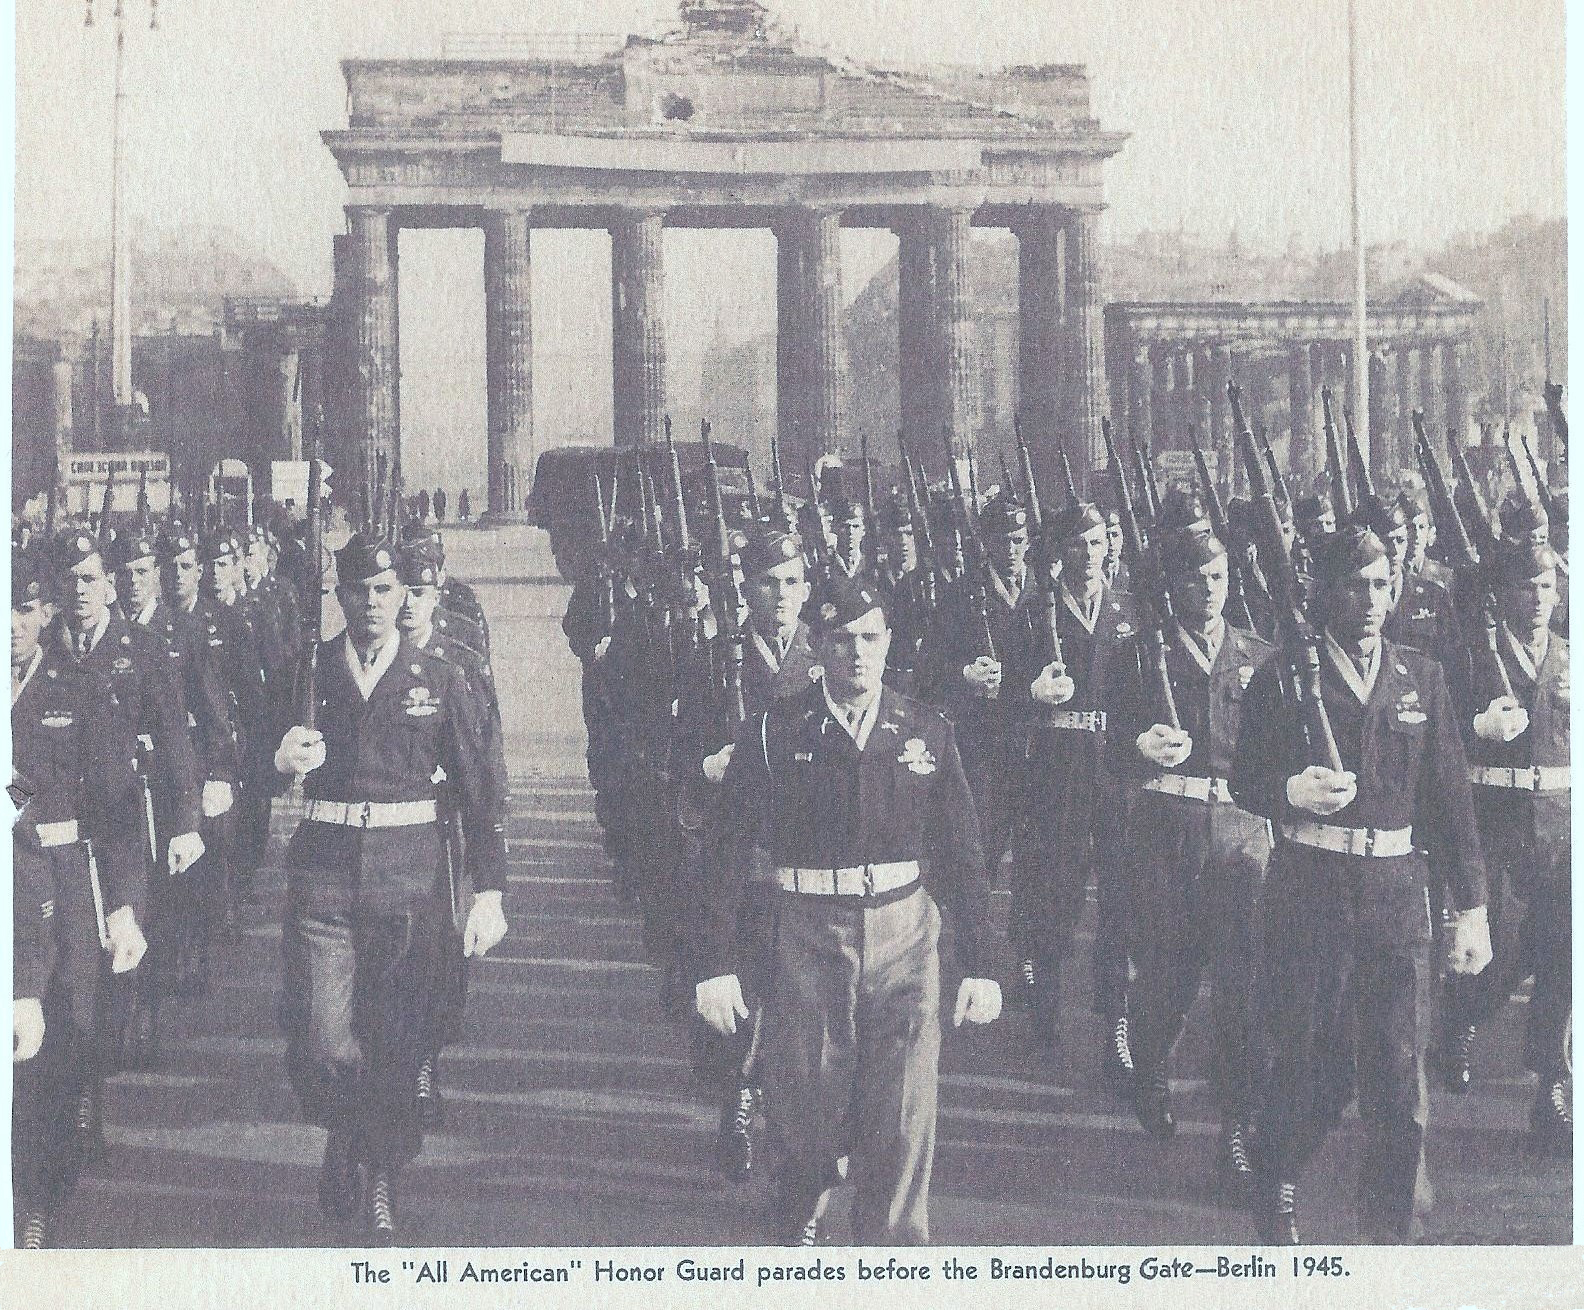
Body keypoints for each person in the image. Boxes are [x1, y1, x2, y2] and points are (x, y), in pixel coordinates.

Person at [697, 575, 1000, 1244]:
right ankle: (804, 1185)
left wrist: (982, 962)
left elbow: (963, 854)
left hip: (906, 932)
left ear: (889, 644)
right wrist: (714, 964)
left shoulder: (926, 729)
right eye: (841, 641)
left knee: (903, 1113)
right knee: (804, 1105)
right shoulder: (778, 732)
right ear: (818, 647)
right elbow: (725, 849)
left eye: (871, 638)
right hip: (806, 929)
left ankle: (889, 1258)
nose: (858, 653)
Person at [1230, 525, 1491, 1244]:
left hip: (1397, 897)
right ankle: (1277, 1171)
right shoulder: (1282, 675)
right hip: (1310, 889)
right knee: (1311, 1065)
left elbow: (1450, 800)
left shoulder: (1422, 677)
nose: (1373, 600)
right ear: (1325, 591)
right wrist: (1289, 789)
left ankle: (1388, 1248)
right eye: (1356, 584)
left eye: (1383, 584)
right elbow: (1243, 776)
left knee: (1401, 1089)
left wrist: (1473, 909)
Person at [272, 532, 509, 1243]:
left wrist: (489, 890)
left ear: (404, 593)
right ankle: (345, 1126)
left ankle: (381, 1173)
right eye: (358, 591)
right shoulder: (309, 670)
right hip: (325, 875)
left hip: (410, 880)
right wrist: (277, 756)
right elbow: (248, 755)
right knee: (321, 1038)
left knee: (399, 1043)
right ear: (340, 597)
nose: (372, 604)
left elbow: (480, 793)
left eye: (384, 590)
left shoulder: (440, 676)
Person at [1105, 523, 1274, 1199]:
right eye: (1194, 578)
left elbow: (1279, 751)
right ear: (1170, 584)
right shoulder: (1137, 655)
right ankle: (1148, 1061)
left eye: (1217, 578)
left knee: (1243, 991)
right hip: (1165, 833)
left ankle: (1238, 1123)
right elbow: (1109, 746)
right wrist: (1137, 744)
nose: (1206, 589)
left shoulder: (1259, 655)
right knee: (1167, 980)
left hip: (1241, 835)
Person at [12, 548, 146, 1247]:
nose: (10, 624)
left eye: (25, 609)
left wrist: (123, 903)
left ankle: (35, 1199)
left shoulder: (75, 690)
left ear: (46, 613)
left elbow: (119, 808)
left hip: (62, 887)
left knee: (57, 1044)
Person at [685, 524, 816, 1179]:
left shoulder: (826, 659)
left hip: (808, 850)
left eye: (793, 582)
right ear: (747, 588)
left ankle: (774, 1105)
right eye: (769, 583)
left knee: (798, 997)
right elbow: (669, 745)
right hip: (739, 852)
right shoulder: (716, 657)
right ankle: (738, 1092)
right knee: (738, 990)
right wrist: (706, 764)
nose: (782, 595)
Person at [1442, 538, 1570, 1152]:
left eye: (1548, 587)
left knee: (1565, 958)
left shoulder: (1570, 660)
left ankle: (1553, 1076)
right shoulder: (1473, 660)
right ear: (1503, 595)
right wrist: (1476, 726)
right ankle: (1463, 1015)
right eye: (1528, 588)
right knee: (1504, 952)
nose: (1540, 599)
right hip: (1498, 824)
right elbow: (1439, 743)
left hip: (1562, 825)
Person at [1006, 499, 1136, 1085]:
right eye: (1078, 544)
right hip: (1058, 768)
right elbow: (1004, 695)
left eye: (1097, 542)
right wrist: (1030, 691)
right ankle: (1047, 995)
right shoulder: (1037, 615)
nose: (1088, 555)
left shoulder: (1128, 612)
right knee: (1057, 893)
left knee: (1118, 901)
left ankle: (1117, 1021)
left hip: (1115, 770)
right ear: (1060, 552)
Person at [110, 525, 237, 1064]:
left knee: (163, 896)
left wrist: (218, 775)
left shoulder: (177, 633)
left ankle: (147, 1009)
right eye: (126, 574)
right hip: (114, 788)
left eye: (143, 572)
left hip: (167, 781)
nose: (134, 582)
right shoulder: (100, 639)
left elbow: (210, 713)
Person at [393, 537, 509, 1129]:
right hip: (391, 830)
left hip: (445, 830)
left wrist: (490, 856)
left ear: (437, 593)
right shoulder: (370, 656)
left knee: (440, 952)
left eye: (420, 592)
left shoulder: (459, 659)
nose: (408, 605)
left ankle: (425, 1055)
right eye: (401, 591)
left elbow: (485, 755)